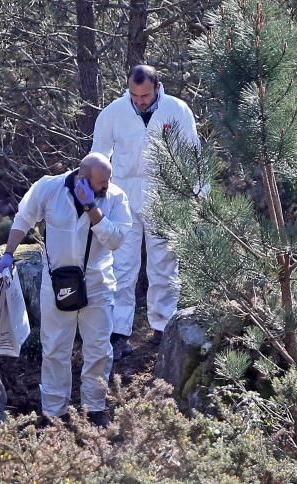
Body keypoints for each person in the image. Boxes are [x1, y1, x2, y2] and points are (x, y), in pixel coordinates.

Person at [0, 153, 132, 426]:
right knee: (55, 348)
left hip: (97, 283)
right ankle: (54, 412)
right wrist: (8, 253)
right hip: (56, 282)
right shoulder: (49, 187)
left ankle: (95, 409)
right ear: (83, 177)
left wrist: (92, 207)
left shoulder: (115, 197)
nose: (106, 185)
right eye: (100, 182)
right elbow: (24, 219)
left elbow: (115, 239)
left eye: (108, 180)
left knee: (98, 348)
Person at [91, 65, 201, 358]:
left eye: (145, 95)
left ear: (157, 87)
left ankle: (163, 326)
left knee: (163, 265)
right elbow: (98, 156)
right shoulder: (113, 113)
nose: (140, 100)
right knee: (121, 267)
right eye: (134, 94)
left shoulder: (177, 110)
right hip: (123, 196)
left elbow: (193, 153)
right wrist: (95, 196)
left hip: (163, 194)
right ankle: (119, 331)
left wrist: (199, 195)